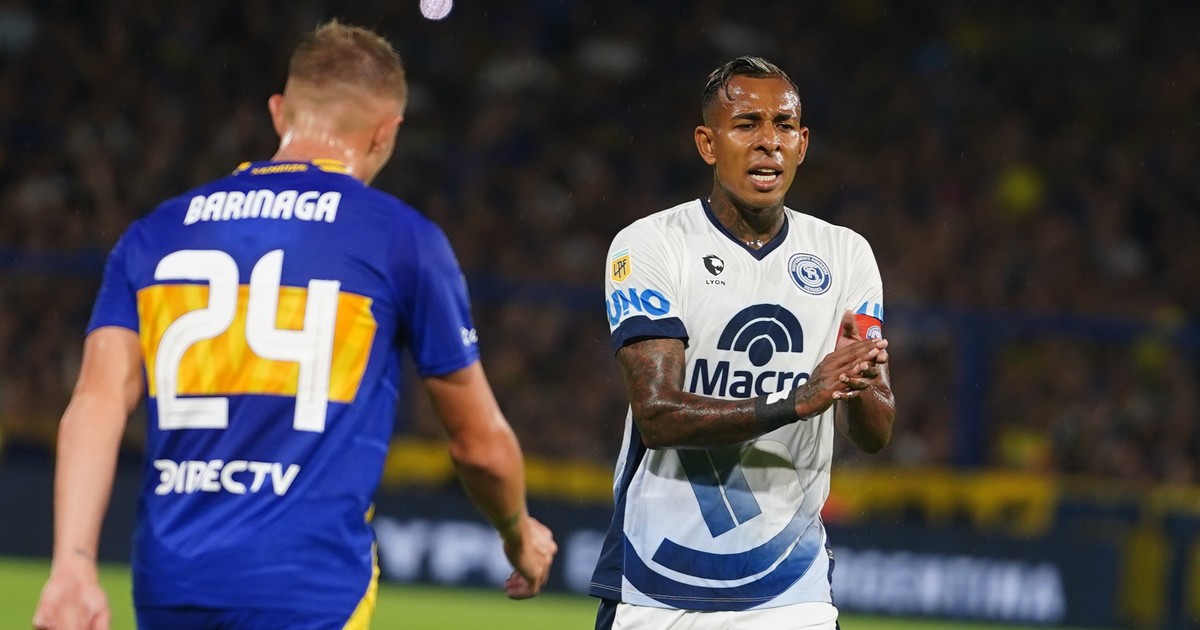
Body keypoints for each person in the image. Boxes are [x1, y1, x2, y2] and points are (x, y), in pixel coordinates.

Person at [33, 20, 556, 630]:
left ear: (279, 112)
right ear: (387, 132)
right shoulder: (401, 239)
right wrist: (518, 532)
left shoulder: (154, 234)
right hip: (309, 586)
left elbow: (95, 403)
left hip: (172, 584)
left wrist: (73, 564)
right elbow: (478, 445)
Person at [589, 56, 894, 630]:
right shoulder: (652, 245)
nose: (768, 142)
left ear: (802, 144)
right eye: (747, 124)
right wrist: (797, 401)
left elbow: (875, 435)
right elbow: (657, 415)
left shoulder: (846, 254)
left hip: (792, 592)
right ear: (708, 144)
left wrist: (862, 381)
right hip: (656, 589)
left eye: (784, 126)